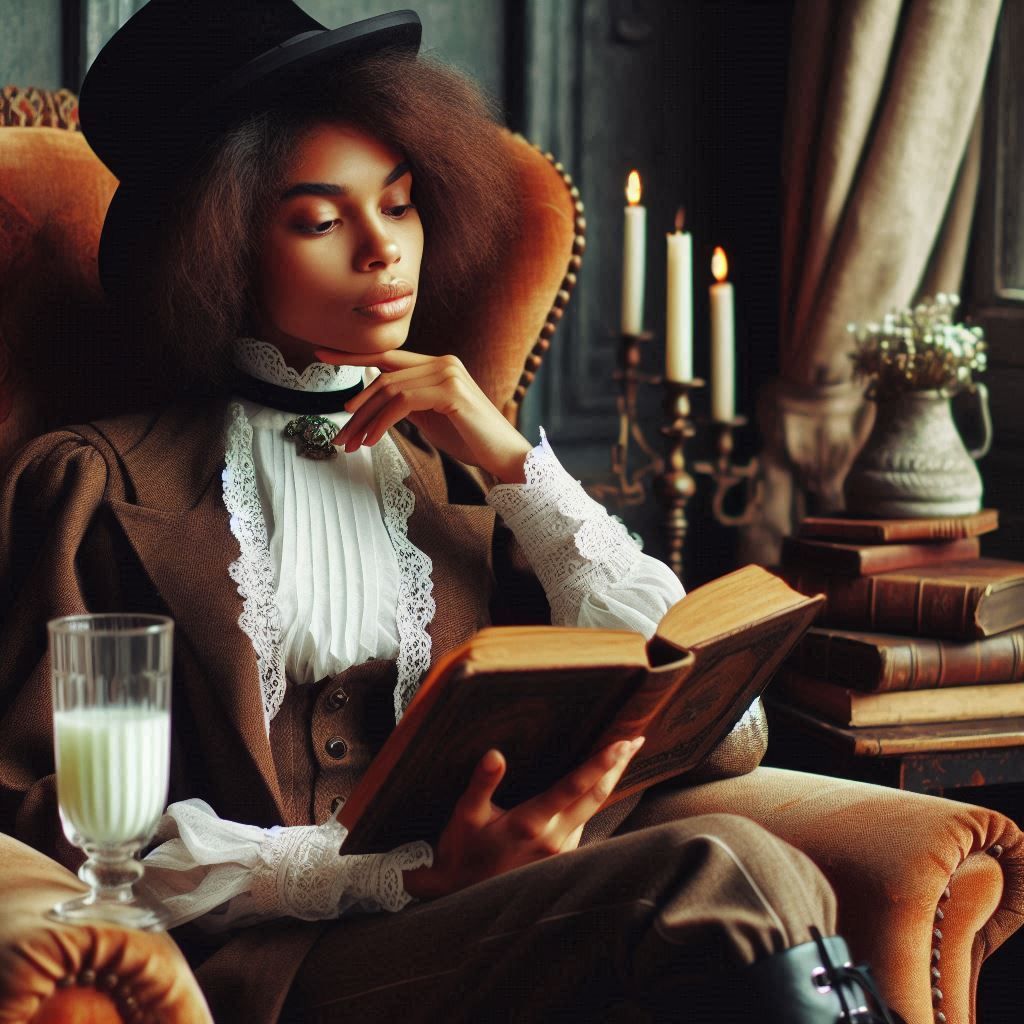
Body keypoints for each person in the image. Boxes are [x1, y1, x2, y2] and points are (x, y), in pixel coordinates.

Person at [0, 3, 901, 1021]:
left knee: (756, 871)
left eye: (398, 204)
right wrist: (393, 875)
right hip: (274, 970)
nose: (382, 250)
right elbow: (47, 817)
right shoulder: (95, 485)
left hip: (491, 925)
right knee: (725, 870)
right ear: (218, 248)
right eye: (321, 221)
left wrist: (514, 459)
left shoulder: (463, 480)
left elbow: (719, 721)